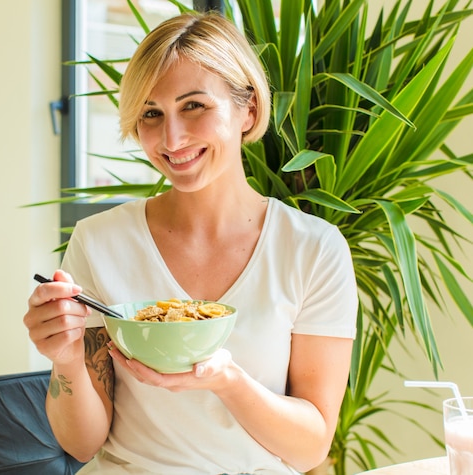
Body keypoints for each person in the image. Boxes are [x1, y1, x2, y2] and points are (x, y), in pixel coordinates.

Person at [24, 11, 357, 475]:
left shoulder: (314, 250)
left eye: (194, 106)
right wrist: (66, 361)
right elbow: (82, 444)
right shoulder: (99, 241)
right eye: (151, 114)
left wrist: (227, 381)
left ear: (249, 110)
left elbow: (309, 449)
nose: (172, 138)